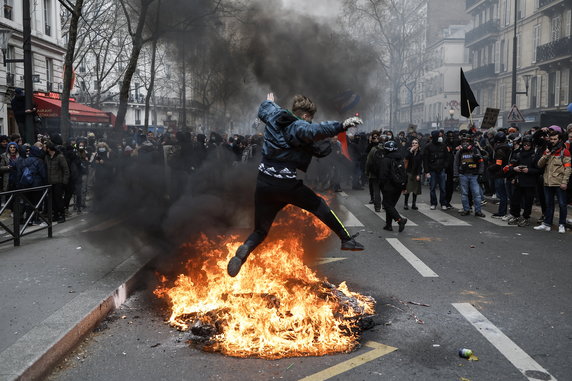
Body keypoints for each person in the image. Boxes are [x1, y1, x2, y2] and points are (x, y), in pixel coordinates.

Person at [227, 93, 365, 277]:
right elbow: (315, 131)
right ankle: (346, 239)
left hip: (264, 184)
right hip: (286, 186)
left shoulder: (274, 116)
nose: (310, 121)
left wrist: (270, 101)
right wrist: (341, 126)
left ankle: (244, 250)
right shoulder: (300, 126)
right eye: (310, 118)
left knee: (260, 230)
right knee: (319, 205)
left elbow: (265, 108)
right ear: (306, 116)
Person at [534, 129, 571, 233]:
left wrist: (564, 182)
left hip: (559, 183)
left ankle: (562, 224)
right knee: (548, 204)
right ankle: (547, 224)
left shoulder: (565, 151)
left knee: (562, 204)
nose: (553, 141)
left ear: (559, 139)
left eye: (555, 139)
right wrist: (546, 155)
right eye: (551, 139)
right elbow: (539, 165)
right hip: (547, 182)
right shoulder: (548, 150)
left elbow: (568, 169)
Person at [379, 140, 407, 232]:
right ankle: (388, 225)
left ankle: (400, 220)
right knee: (391, 206)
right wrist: (404, 186)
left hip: (388, 187)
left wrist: (381, 186)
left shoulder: (385, 160)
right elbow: (404, 173)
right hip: (398, 186)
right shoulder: (400, 159)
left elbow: (383, 176)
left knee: (387, 205)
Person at [453, 135, 485, 217]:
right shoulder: (459, 152)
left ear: (470, 142)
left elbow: (481, 162)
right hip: (463, 175)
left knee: (476, 194)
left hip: (474, 175)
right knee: (464, 193)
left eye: (467, 141)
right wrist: (456, 175)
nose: (465, 143)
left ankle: (478, 211)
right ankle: (466, 209)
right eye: (463, 142)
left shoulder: (475, 151)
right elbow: (456, 164)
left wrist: (480, 173)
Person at [423, 130, 449, 210]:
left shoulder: (443, 145)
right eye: (439, 136)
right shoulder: (428, 146)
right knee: (432, 188)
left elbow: (447, 157)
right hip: (432, 170)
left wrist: (445, 166)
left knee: (443, 188)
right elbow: (425, 160)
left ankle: (443, 203)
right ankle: (433, 203)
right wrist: (427, 171)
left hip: (441, 169)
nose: (440, 138)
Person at [45, 142, 70, 223]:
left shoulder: (60, 157)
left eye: (46, 147)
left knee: (58, 200)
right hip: (50, 182)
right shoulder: (47, 157)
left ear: (49, 148)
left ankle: (62, 216)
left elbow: (66, 170)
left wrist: (64, 182)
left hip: (58, 182)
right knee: (52, 201)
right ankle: (55, 215)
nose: (45, 149)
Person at [403, 138, 422, 210]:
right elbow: (406, 158)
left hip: (416, 173)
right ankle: (405, 204)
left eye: (415, 143)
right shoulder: (408, 151)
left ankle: (414, 204)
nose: (414, 144)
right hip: (409, 172)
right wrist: (411, 151)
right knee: (408, 189)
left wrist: (418, 174)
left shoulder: (420, 153)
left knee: (415, 190)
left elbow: (420, 165)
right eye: (413, 143)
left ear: (418, 144)